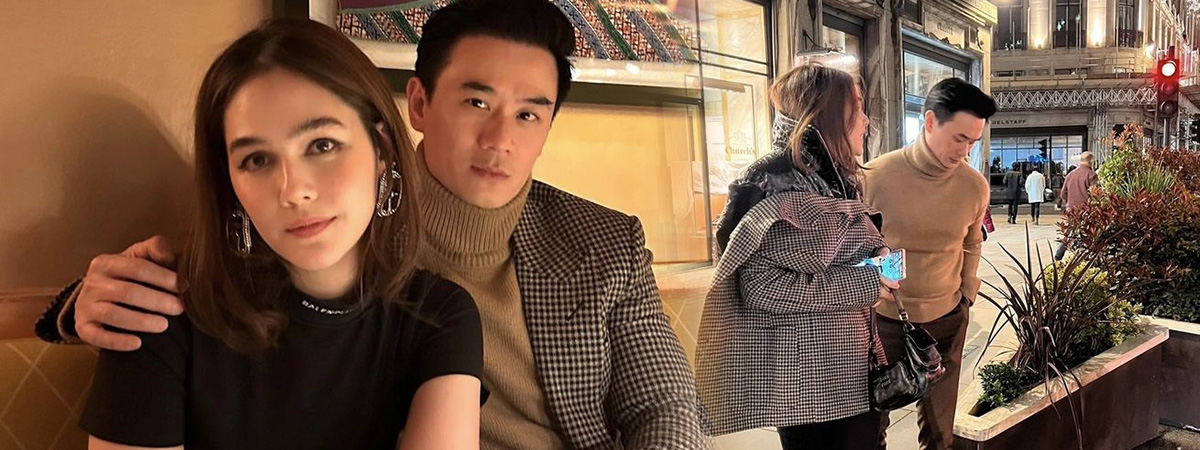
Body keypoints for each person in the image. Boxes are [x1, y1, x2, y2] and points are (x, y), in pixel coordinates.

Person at [35, 1, 709, 448]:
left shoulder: (602, 241)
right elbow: (217, 275)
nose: (501, 139)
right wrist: (78, 306)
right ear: (416, 105)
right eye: (476, 102)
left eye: (530, 114)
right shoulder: (347, 220)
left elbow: (665, 405)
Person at [78, 19, 484, 450]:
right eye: (257, 160)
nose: (293, 191)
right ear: (229, 181)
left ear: (381, 149)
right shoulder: (159, 306)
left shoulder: (439, 316)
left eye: (322, 145)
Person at [699, 64, 898, 449]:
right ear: (829, 112)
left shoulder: (838, 176)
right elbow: (761, 288)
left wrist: (877, 253)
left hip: (852, 365)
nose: (867, 121)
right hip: (808, 384)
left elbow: (837, 251)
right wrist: (867, 281)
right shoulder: (772, 179)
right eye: (857, 107)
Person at [862, 77, 995, 450]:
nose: (964, 151)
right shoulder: (874, 177)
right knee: (871, 426)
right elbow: (857, 247)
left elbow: (972, 241)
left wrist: (967, 292)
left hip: (947, 318)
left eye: (973, 142)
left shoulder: (974, 186)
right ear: (931, 121)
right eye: (959, 139)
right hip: (885, 321)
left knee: (940, 432)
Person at [1055, 151, 1099, 260]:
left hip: (1071, 209)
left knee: (1070, 230)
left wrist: (1068, 202)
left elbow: (1063, 193)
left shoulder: (1070, 175)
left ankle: (1061, 249)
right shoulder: (1091, 175)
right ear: (1091, 161)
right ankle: (1085, 256)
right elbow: (1096, 193)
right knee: (1089, 233)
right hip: (1086, 210)